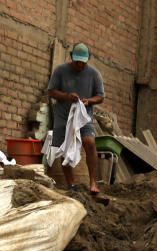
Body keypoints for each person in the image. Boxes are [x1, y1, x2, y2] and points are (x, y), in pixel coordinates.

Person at [47, 42, 105, 195]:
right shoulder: (60, 71)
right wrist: (66, 96)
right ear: (72, 57)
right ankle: (71, 185)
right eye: (77, 61)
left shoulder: (94, 74)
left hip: (83, 117)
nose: (80, 65)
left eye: (83, 62)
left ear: (87, 59)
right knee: (64, 150)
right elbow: (51, 91)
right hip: (63, 117)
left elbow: (100, 97)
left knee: (89, 142)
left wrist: (89, 101)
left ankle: (93, 182)